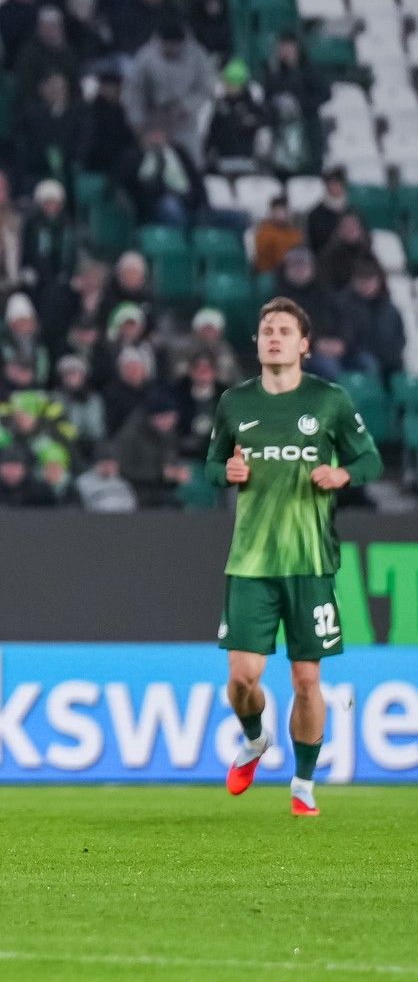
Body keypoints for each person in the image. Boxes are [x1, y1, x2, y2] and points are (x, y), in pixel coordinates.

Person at [208, 297, 382, 819]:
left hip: (309, 562)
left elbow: (369, 457)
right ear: (257, 343)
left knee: (307, 680)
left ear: (304, 344)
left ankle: (303, 784)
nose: (274, 337)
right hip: (251, 562)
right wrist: (227, 475)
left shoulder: (328, 400)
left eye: (284, 330)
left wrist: (342, 475)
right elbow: (213, 463)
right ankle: (256, 739)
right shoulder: (235, 403)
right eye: (266, 331)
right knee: (242, 679)